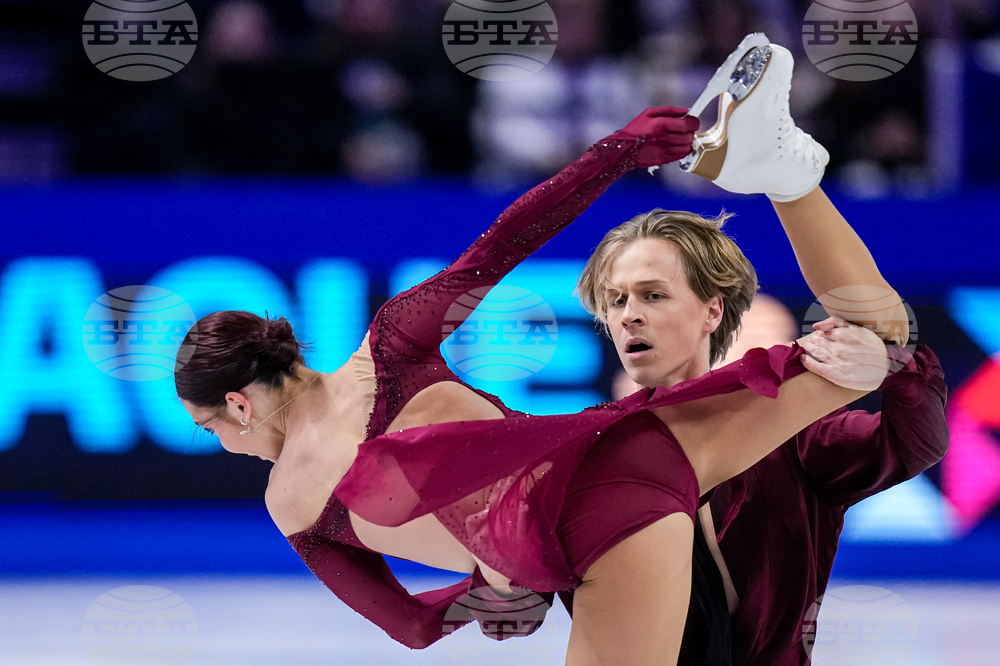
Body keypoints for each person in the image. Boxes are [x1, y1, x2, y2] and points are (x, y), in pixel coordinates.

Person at [173, 40, 893, 666]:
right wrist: (618, 152)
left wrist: (485, 593)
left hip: (594, 537)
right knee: (883, 346)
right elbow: (506, 242)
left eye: (212, 431)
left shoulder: (289, 502)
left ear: (237, 401)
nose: (228, 446)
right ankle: (789, 174)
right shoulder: (389, 346)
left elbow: (413, 627)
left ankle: (787, 175)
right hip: (631, 448)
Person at [571, 37, 949, 666]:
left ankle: (786, 177)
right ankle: (785, 174)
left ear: (712, 311)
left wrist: (895, 369)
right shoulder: (580, 452)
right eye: (614, 300)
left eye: (653, 294)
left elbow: (919, 442)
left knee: (880, 337)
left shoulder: (790, 437)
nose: (628, 312)